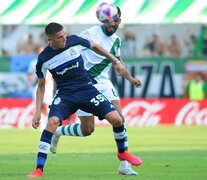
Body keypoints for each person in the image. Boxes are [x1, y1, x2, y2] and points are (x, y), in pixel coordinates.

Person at [26, 22, 142, 178]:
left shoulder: (73, 40)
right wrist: (37, 113)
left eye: (64, 35)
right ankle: (38, 169)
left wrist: (115, 60)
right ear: (50, 40)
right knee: (52, 122)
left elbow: (95, 46)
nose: (64, 39)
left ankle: (122, 153)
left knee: (117, 119)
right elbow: (41, 87)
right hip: (66, 95)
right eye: (60, 37)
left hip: (87, 90)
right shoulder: (43, 59)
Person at [27, 46, 55, 130]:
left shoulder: (50, 60)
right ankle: (40, 122)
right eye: (39, 52)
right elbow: (30, 75)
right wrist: (31, 78)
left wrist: (48, 80)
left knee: (47, 105)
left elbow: (54, 74)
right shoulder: (33, 63)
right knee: (39, 105)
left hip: (48, 85)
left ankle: (50, 123)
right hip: (37, 86)